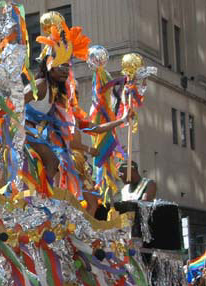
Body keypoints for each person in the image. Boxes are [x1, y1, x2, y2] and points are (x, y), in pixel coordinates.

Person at [23, 60, 128, 215]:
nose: (74, 97)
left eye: (76, 94)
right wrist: (88, 148)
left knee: (92, 201)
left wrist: (122, 120)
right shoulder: (43, 89)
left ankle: (45, 201)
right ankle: (42, 200)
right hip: (53, 153)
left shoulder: (63, 111)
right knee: (54, 166)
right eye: (73, 93)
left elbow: (94, 128)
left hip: (72, 161)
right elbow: (17, 103)